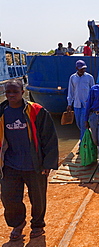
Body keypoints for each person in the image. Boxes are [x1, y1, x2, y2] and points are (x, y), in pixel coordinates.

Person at [0, 79, 58, 241]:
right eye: (8, 92)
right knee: (9, 197)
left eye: (15, 92)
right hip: (10, 165)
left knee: (38, 198)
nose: (11, 95)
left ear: (23, 92)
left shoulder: (36, 111)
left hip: (35, 164)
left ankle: (37, 225)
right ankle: (18, 224)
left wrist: (48, 163)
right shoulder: (1, 112)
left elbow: (50, 138)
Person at [67, 60, 95, 142]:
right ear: (77, 68)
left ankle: (82, 144)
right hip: (77, 104)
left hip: (86, 105)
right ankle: (86, 138)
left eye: (84, 69)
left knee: (83, 124)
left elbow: (93, 91)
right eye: (81, 69)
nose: (83, 70)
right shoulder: (72, 78)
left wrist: (92, 104)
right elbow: (71, 91)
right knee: (78, 124)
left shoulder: (89, 77)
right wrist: (69, 104)